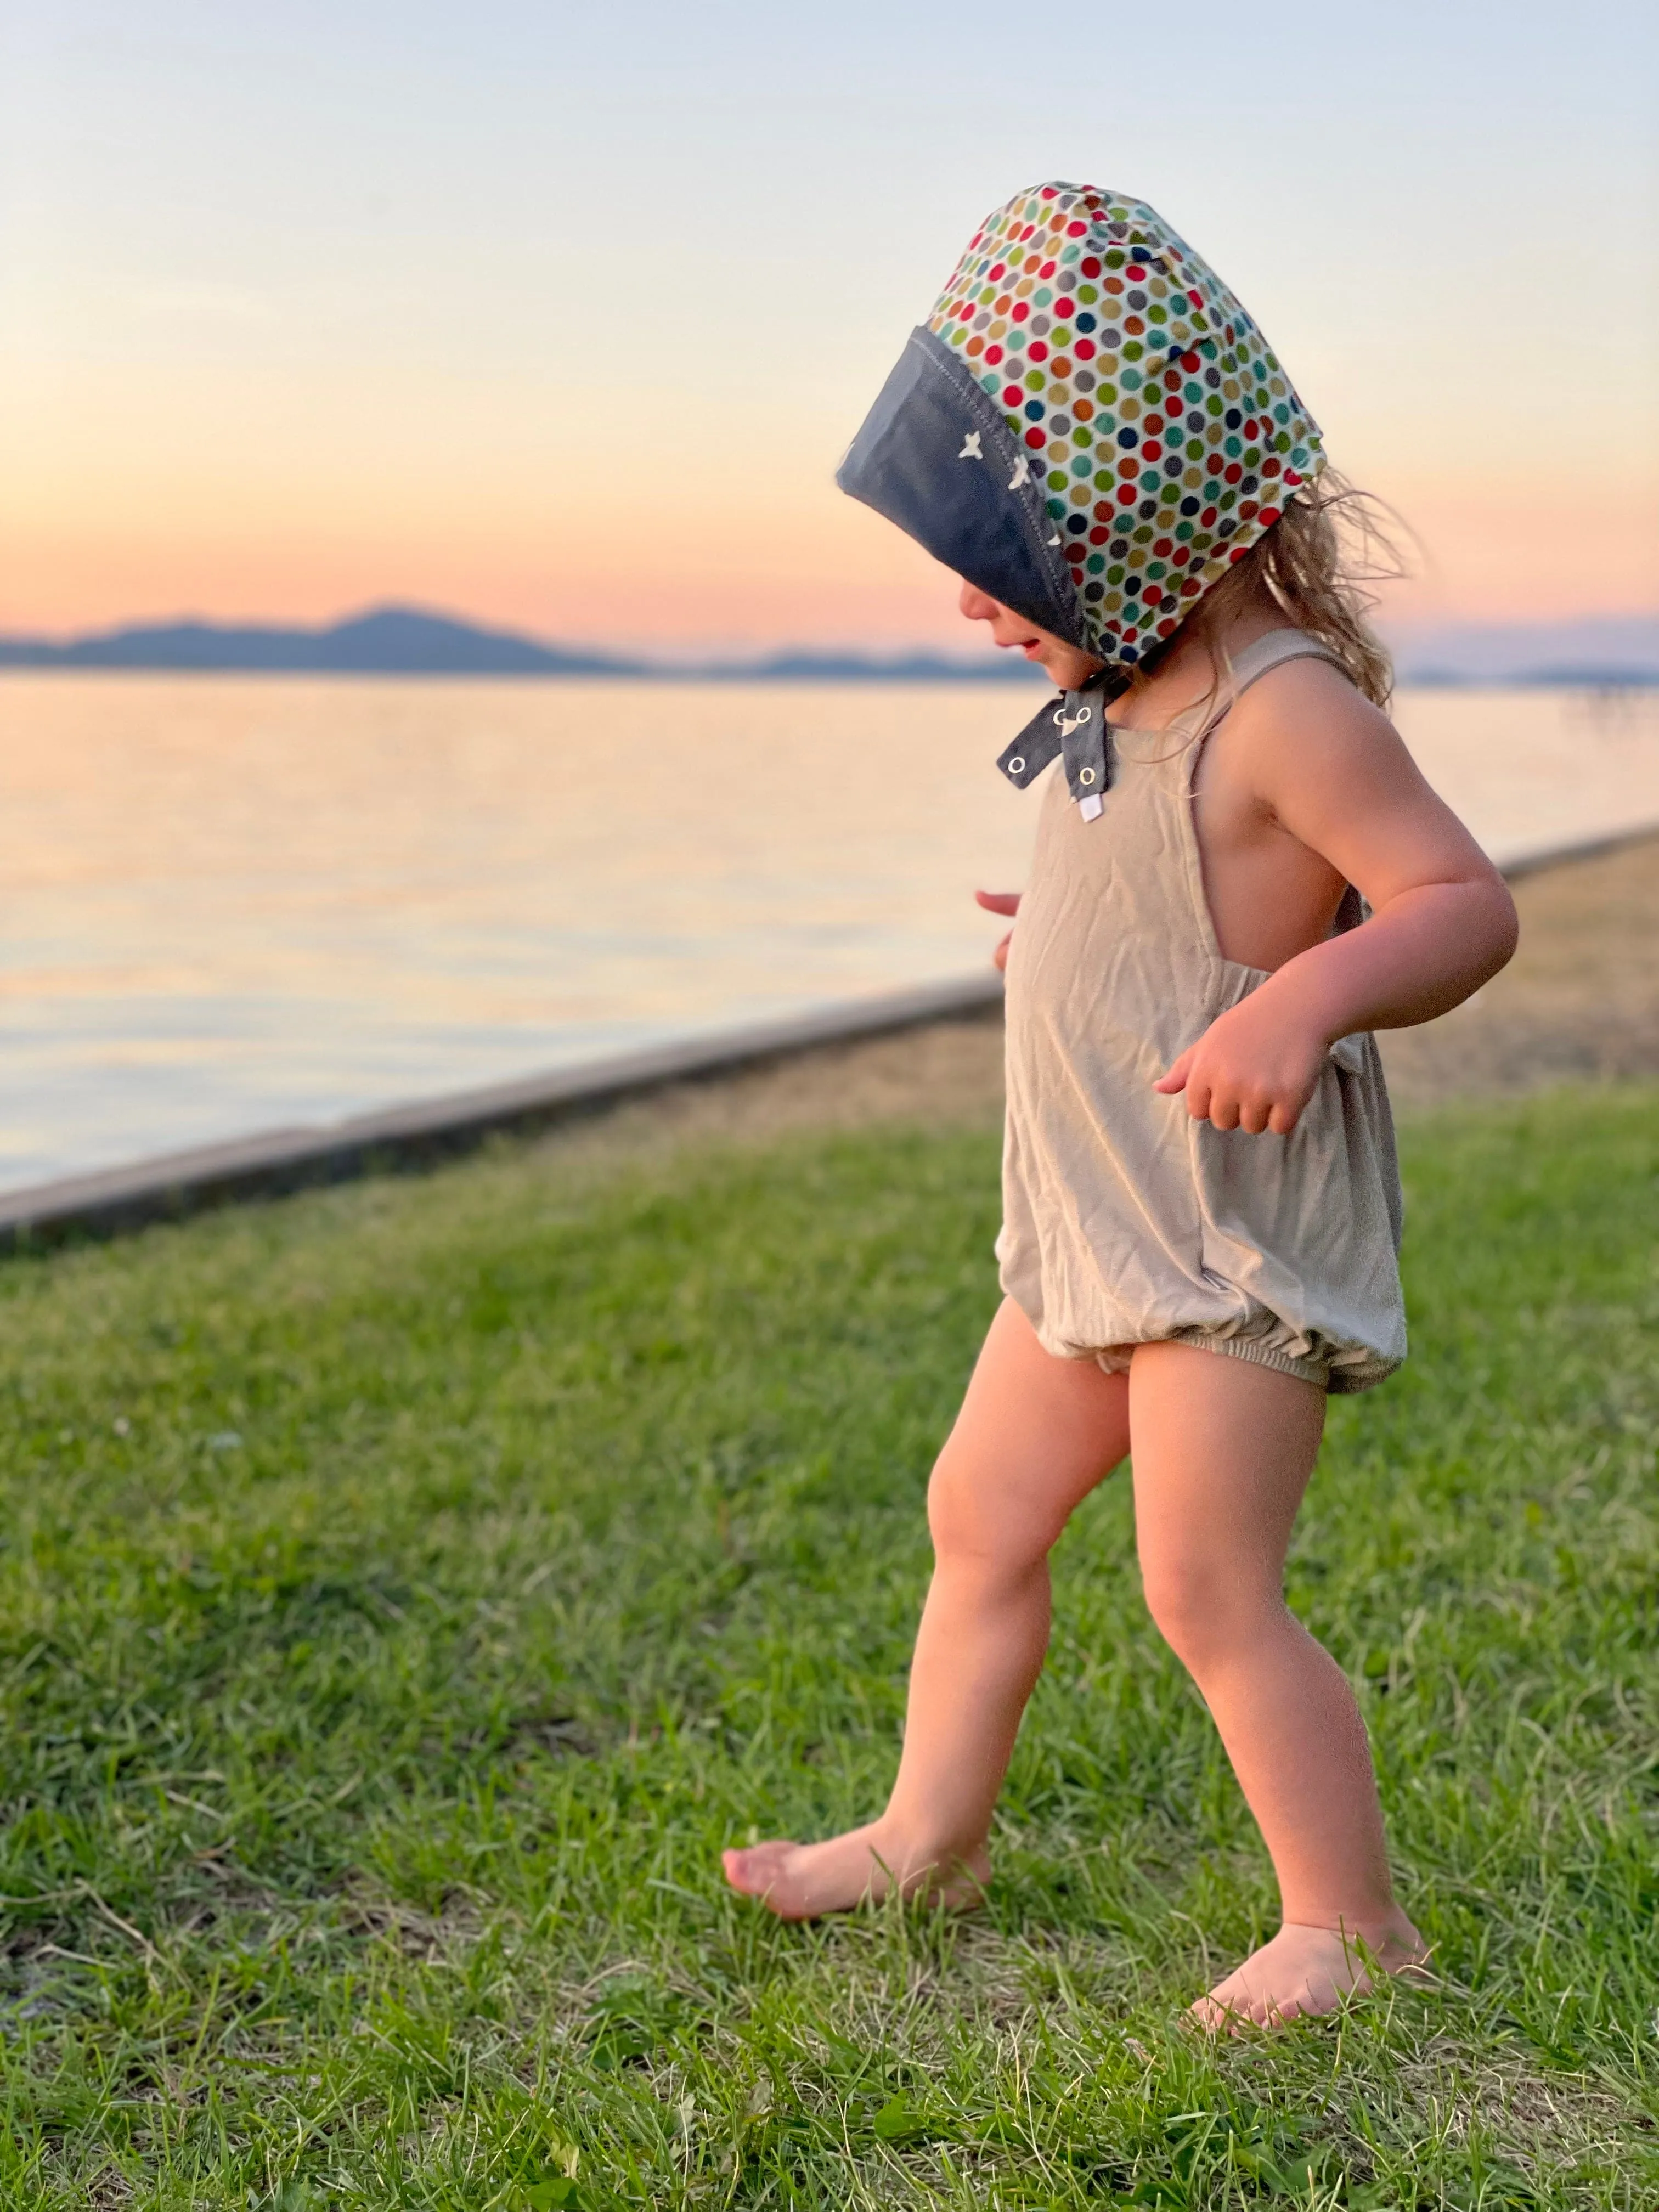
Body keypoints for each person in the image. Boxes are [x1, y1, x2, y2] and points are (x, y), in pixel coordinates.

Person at [721, 184, 1518, 2029]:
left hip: (1224, 1234)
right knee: (976, 1516)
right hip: (1092, 1221)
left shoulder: (1284, 709)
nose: (970, 601)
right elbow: (1169, 905)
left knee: (1204, 1588)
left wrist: (1309, 998)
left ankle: (1350, 1930)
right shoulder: (1126, 692)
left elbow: (1456, 904)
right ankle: (929, 1835)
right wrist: (1069, 941)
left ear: (1135, 530)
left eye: (1005, 556)